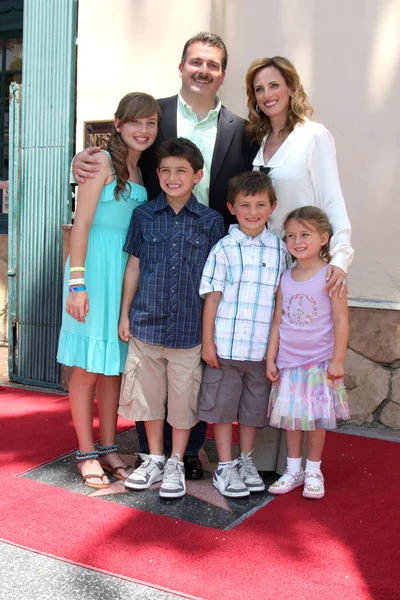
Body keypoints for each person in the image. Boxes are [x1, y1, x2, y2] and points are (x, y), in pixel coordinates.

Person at [72, 32, 258, 479]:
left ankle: (186, 451)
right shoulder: (154, 114)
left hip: (204, 246)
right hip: (144, 248)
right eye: (195, 61)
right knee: (135, 355)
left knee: (186, 355)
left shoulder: (241, 129)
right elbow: (110, 158)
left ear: (222, 73)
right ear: (181, 66)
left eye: (212, 64)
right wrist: (80, 159)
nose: (203, 70)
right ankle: (149, 450)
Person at [245, 56, 354, 473]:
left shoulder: (314, 136)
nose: (267, 95)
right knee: (272, 358)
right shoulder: (258, 143)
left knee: (300, 363)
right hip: (266, 262)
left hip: (305, 263)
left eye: (274, 85)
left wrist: (340, 256)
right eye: (259, 89)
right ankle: (270, 459)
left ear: (290, 87)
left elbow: (331, 199)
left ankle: (299, 465)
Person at [57, 93, 160, 489]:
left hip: (124, 272)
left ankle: (108, 446)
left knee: (113, 365)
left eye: (151, 123)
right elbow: (80, 224)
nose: (143, 130)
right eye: (135, 122)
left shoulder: (140, 170)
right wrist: (77, 283)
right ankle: (85, 452)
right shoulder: (100, 162)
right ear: (117, 124)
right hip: (93, 269)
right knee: (85, 367)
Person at [117, 138, 225, 499]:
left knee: (183, 401)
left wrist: (211, 332)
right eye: (165, 170)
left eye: (181, 170)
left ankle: (178, 460)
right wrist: (124, 315)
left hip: (189, 331)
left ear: (197, 175)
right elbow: (133, 266)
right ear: (157, 174)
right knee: (147, 399)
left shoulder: (211, 221)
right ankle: (154, 458)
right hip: (146, 325)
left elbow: (215, 283)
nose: (171, 177)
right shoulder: (143, 215)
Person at [198, 171, 287, 498]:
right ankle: (224, 465)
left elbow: (279, 301)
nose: (253, 212)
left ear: (272, 207)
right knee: (222, 410)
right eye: (245, 205)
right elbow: (212, 297)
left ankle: (245, 461)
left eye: (260, 205)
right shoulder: (223, 249)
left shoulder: (279, 250)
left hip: (260, 352)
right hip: (226, 349)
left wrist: (274, 351)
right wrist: (208, 342)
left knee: (251, 412)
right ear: (231, 208)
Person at [266, 206, 350, 499]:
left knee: (315, 420)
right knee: (291, 419)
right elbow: (278, 321)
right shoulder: (285, 277)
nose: (297, 241)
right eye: (291, 235)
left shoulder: (331, 276)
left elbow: (341, 320)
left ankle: (314, 470)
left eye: (305, 234)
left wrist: (337, 360)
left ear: (324, 238)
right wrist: (271, 358)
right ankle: (293, 470)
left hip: (319, 364)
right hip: (289, 363)